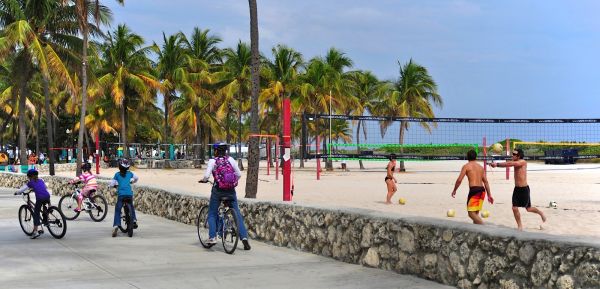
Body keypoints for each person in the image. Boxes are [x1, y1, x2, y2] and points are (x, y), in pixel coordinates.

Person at [200, 142, 251, 250]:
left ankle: (213, 237)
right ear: (225, 151)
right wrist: (232, 183)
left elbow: (206, 175)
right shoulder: (231, 160)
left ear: (216, 151)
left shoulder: (212, 161)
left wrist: (204, 180)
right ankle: (244, 239)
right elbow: (239, 174)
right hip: (231, 191)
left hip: (218, 191)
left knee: (212, 214)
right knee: (236, 213)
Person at [490, 148, 546, 230]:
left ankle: (540, 213)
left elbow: (510, 164)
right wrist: (494, 164)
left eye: (514, 154)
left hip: (524, 189)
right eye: (512, 153)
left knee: (528, 209)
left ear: (519, 156)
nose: (512, 155)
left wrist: (497, 164)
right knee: (514, 208)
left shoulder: (522, 162)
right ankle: (520, 226)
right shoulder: (515, 162)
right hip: (517, 189)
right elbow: (510, 163)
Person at [451, 150, 494, 224]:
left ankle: (484, 228)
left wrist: (454, 190)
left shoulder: (466, 166)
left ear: (467, 157)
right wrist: (489, 195)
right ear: (476, 157)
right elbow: (486, 182)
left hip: (474, 190)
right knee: (475, 213)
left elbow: (459, 180)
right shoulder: (480, 167)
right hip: (482, 191)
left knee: (471, 213)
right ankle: (478, 232)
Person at [14, 169, 51, 239]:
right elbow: (44, 187)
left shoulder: (30, 183)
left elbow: (22, 189)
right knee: (45, 204)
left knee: (36, 214)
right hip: (47, 196)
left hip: (40, 198)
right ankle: (47, 216)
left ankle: (36, 231)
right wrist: (35, 189)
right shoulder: (41, 180)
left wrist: (17, 192)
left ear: (29, 177)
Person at [109, 159, 139, 237]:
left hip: (121, 195)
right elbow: (137, 178)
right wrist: (132, 182)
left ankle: (116, 225)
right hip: (129, 194)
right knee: (131, 207)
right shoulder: (130, 174)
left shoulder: (117, 174)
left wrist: (111, 186)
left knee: (118, 209)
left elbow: (112, 184)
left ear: (119, 167)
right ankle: (134, 220)